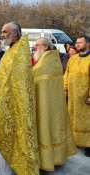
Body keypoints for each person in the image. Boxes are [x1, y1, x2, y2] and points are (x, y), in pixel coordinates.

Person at [0, 22, 39, 175]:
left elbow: (18, 78)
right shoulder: (11, 50)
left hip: (15, 104)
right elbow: (6, 75)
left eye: (4, 32)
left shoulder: (20, 51)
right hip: (4, 100)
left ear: (14, 33)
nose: (2, 35)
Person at [33, 37, 77, 171]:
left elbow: (34, 74)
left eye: (37, 45)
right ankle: (55, 158)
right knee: (53, 129)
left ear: (45, 46)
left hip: (46, 103)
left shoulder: (48, 59)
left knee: (46, 128)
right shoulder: (53, 57)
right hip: (50, 101)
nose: (35, 47)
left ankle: (47, 161)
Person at [64, 35, 90, 157]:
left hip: (85, 97)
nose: (77, 44)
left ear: (88, 44)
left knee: (86, 121)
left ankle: (88, 145)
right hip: (73, 97)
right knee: (73, 118)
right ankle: (76, 141)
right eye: (77, 42)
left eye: (80, 42)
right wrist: (65, 88)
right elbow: (66, 75)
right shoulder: (72, 59)